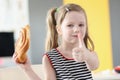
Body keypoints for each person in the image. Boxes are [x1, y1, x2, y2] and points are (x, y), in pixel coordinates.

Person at [13, 3, 99, 80]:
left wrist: (87, 56)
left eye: (81, 25)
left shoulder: (88, 54)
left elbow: (94, 65)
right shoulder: (49, 58)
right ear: (59, 29)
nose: (76, 29)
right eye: (70, 25)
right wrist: (27, 69)